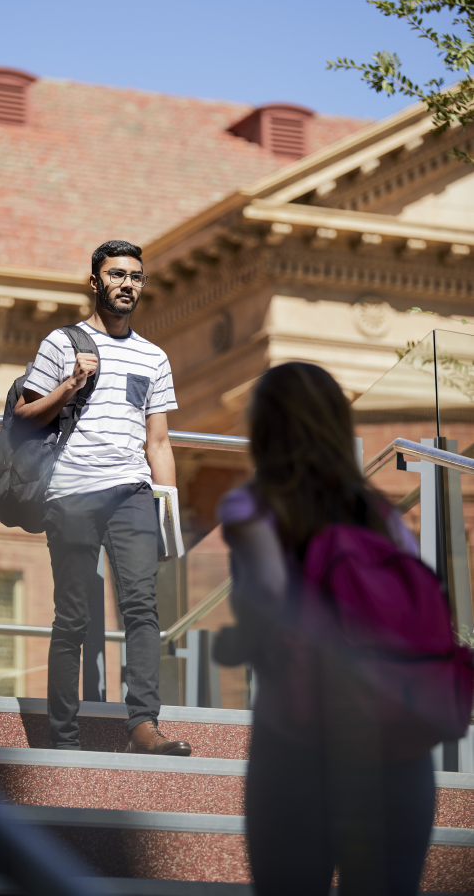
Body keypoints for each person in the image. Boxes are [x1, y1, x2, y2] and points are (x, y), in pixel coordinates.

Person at [214, 362, 435, 896]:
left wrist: (232, 643)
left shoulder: (253, 504)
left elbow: (268, 591)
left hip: (298, 746)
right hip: (395, 753)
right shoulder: (380, 513)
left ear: (265, 429)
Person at [14, 240, 192, 756]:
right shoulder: (60, 342)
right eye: (116, 275)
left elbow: (157, 441)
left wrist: (168, 513)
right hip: (70, 493)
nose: (127, 284)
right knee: (73, 617)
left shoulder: (153, 357)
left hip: (133, 494)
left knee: (142, 608)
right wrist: (70, 386)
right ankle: (64, 736)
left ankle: (143, 725)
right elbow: (24, 418)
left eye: (135, 276)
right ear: (95, 282)